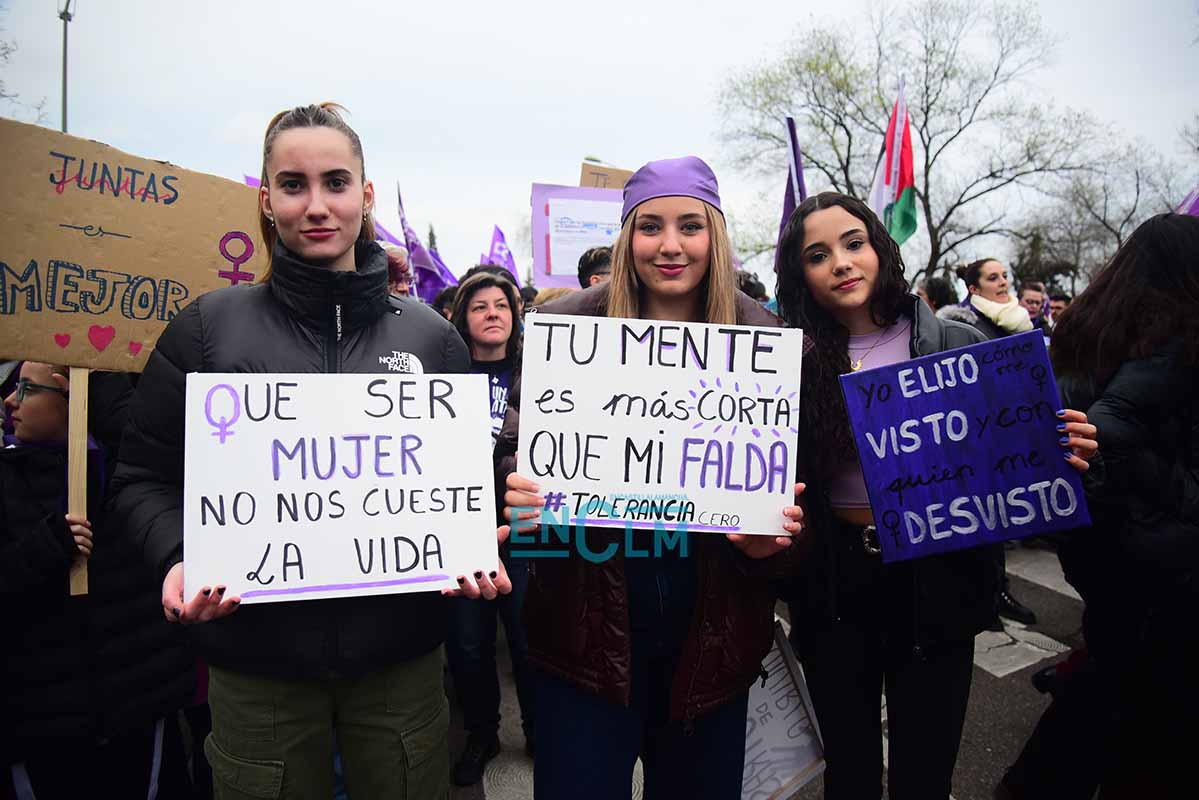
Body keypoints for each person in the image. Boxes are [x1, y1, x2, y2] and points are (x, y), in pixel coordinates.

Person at [108, 103, 506, 800]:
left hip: (400, 669)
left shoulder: (431, 339)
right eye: (292, 185)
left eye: (336, 182)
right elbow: (142, 478)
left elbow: (463, 486)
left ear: (366, 195)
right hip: (256, 671)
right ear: (265, 200)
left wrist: (479, 539)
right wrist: (175, 558)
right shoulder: (206, 330)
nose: (316, 205)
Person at [498, 157, 805, 800]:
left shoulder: (766, 336)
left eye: (690, 226)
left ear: (715, 237)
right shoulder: (571, 327)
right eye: (651, 227)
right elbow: (515, 444)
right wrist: (518, 486)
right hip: (584, 633)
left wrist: (768, 542)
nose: (670, 245)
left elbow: (789, 489)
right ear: (627, 237)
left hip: (709, 641)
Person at [773, 193, 1097, 800]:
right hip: (833, 590)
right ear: (800, 275)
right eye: (818, 255)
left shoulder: (956, 342)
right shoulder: (788, 363)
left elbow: (1015, 458)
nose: (841, 262)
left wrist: (1066, 446)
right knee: (850, 773)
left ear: (879, 248)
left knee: (925, 773)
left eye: (853, 243)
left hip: (937, 585)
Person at [1048, 213, 1198, 798]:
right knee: (1149, 705)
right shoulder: (1177, 341)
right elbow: (1114, 427)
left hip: (1092, 542)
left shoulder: (1084, 332)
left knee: (1111, 672)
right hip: (1162, 557)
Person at [2, 364, 195, 798]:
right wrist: (41, 551)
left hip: (137, 707)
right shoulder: (7, 481)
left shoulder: (122, 476)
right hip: (44, 726)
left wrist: (95, 369)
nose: (11, 401)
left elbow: (144, 441)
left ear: (76, 399)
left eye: (27, 389)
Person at [443, 272, 535, 785]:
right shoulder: (441, 377)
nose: (493, 313)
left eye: (502, 305)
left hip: (521, 529)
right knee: (469, 646)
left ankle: (539, 729)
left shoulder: (541, 376)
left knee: (526, 638)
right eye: (480, 307)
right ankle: (482, 734)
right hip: (459, 529)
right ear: (463, 317)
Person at [955, 257, 1039, 626]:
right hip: (974, 436)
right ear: (974, 289)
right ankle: (979, 596)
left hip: (1012, 429)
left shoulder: (1019, 321)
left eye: (1005, 275)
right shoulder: (960, 324)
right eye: (993, 278)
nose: (1003, 282)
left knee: (1002, 518)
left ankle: (997, 590)